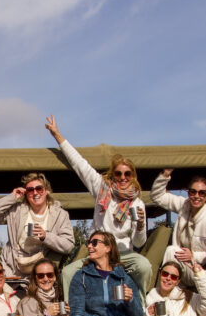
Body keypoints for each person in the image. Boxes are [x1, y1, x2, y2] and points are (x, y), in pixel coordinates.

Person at [45, 114, 153, 297]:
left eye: (127, 174)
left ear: (132, 176)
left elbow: (138, 243)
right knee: (68, 273)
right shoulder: (102, 189)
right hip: (97, 251)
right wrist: (57, 134)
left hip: (122, 253)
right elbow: (79, 164)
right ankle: (72, 310)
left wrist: (141, 225)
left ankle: (139, 304)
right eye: (118, 174)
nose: (123, 178)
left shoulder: (137, 203)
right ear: (113, 175)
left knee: (144, 267)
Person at [0, 172, 75, 278]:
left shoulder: (60, 214)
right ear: (26, 194)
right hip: (11, 268)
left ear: (46, 191)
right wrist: (12, 197)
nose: (35, 193)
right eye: (30, 190)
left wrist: (46, 236)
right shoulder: (16, 210)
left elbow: (68, 245)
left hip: (40, 272)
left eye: (39, 188)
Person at [151, 168, 206, 284]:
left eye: (202, 193)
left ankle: (164, 290)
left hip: (204, 272)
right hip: (184, 265)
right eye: (193, 192)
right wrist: (165, 175)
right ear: (188, 193)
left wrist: (193, 256)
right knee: (172, 252)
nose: (196, 196)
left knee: (171, 251)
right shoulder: (184, 205)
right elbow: (157, 197)